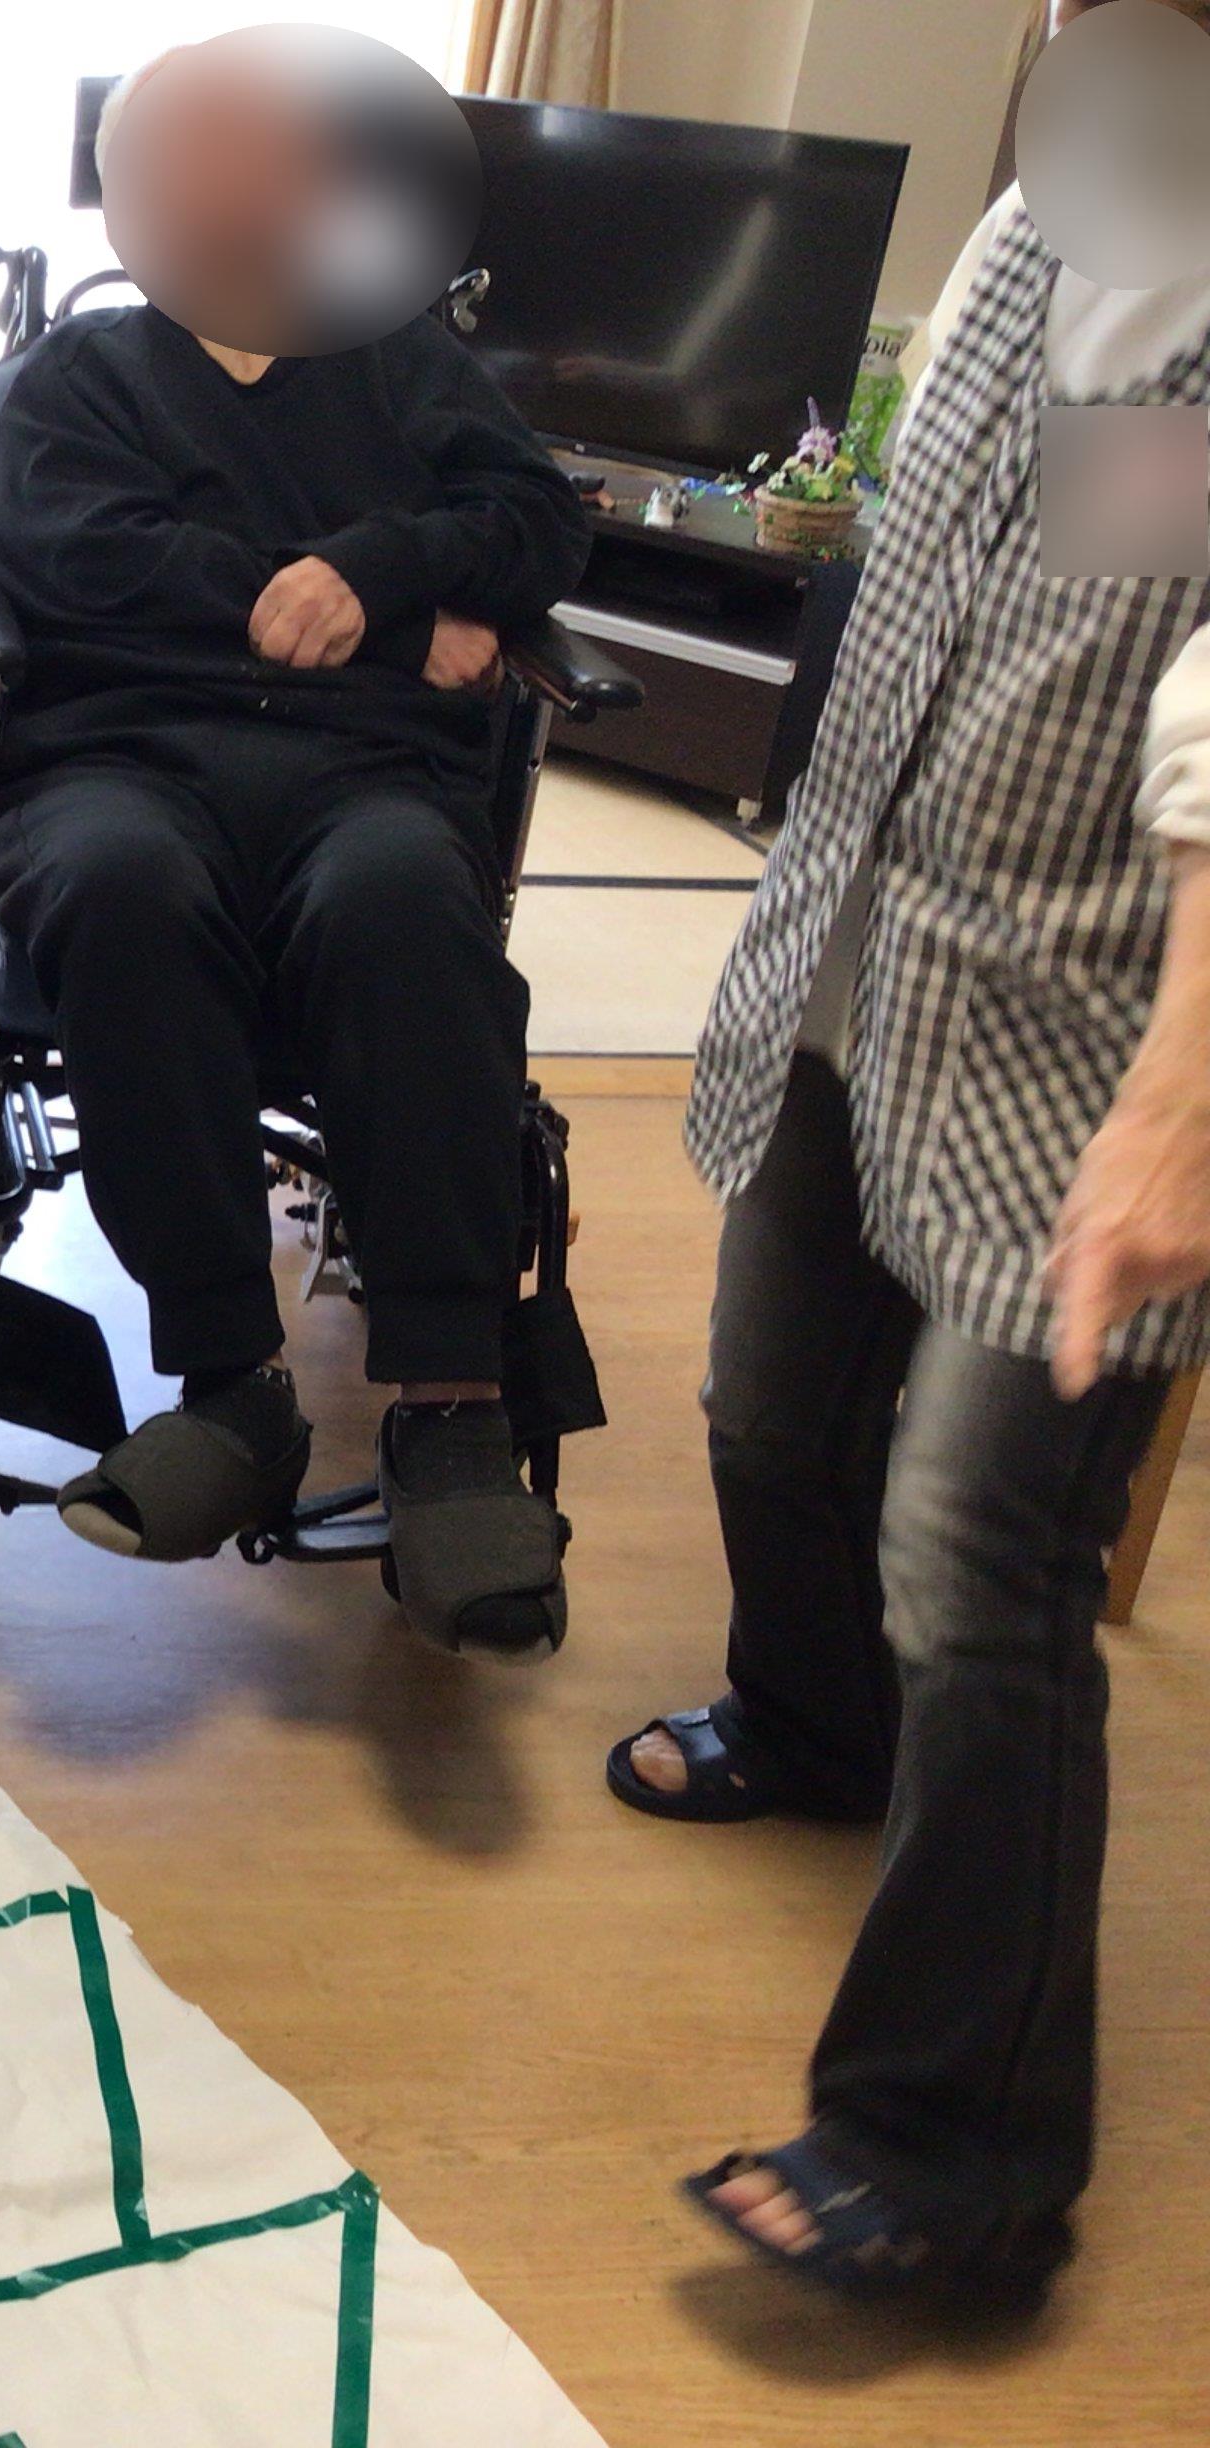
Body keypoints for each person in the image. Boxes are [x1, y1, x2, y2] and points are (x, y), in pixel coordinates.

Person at [612, 0, 1210, 2297]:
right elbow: (999, 539)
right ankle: (809, 1720)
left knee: (980, 1551)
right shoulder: (1053, 204)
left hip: (1105, 1024)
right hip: (865, 939)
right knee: (769, 1407)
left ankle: (964, 2161)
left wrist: (1181, 1114)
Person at [0, 43, 592, 1654]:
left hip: (363, 774)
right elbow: (72, 556)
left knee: (406, 903)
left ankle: (451, 1411)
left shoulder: (400, 360)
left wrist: (379, 564)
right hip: (122, 761)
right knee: (121, 890)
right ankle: (231, 1386)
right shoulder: (77, 378)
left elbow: (542, 521)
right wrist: (366, 610)